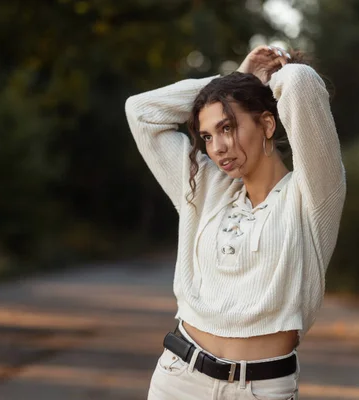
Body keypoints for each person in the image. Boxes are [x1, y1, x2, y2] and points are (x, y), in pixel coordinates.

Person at [125, 45, 346, 400]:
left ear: (267, 123)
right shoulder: (205, 188)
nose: (216, 148)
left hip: (262, 389)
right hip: (179, 379)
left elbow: (301, 81)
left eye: (227, 127)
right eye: (208, 136)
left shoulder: (313, 196)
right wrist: (230, 83)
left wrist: (250, 81)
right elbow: (141, 112)